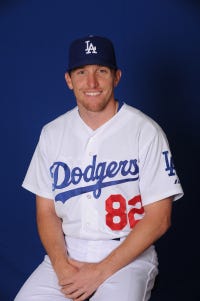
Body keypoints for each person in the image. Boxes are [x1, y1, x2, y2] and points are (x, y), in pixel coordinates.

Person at [14, 35, 183, 301]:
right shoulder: (52, 133)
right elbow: (45, 211)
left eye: (101, 71)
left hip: (128, 256)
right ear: (69, 80)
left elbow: (159, 217)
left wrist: (99, 271)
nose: (91, 83)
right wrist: (61, 265)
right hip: (67, 252)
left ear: (116, 77)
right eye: (82, 72)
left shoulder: (145, 131)